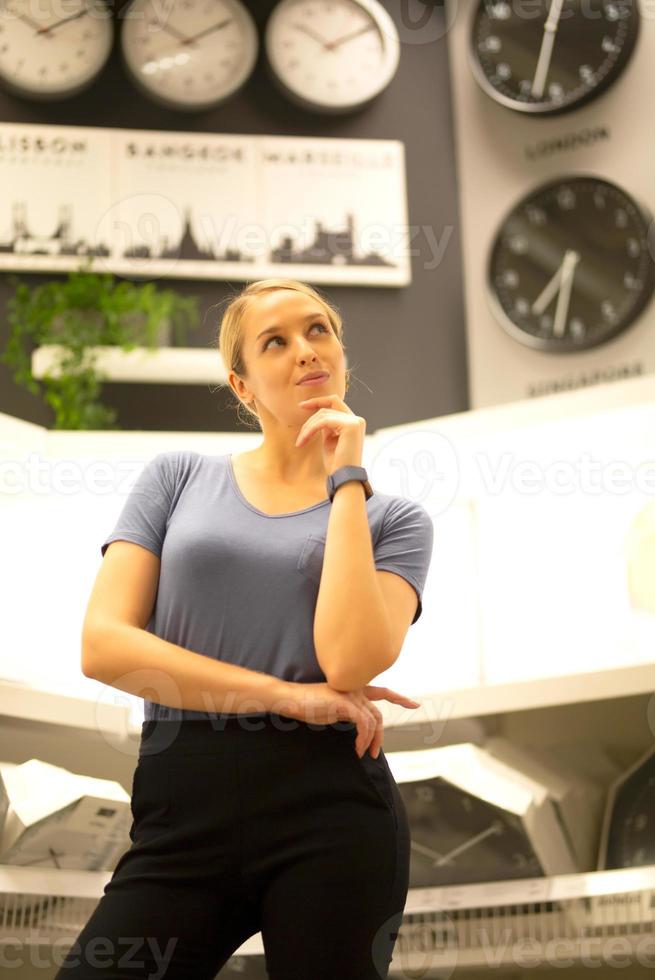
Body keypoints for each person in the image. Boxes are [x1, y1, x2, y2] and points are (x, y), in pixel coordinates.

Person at [57, 278, 434, 979]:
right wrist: (283, 694)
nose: (304, 352)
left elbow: (348, 664)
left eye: (318, 330)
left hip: (332, 808)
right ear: (242, 384)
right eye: (276, 342)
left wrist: (346, 478)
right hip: (182, 803)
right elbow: (103, 645)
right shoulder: (176, 479)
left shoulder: (394, 521)